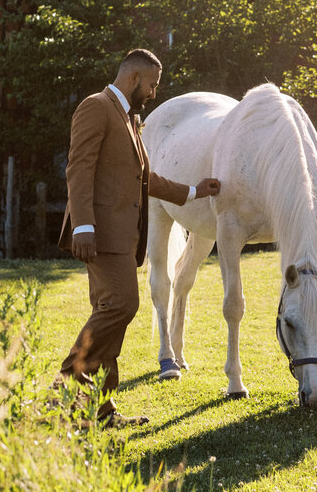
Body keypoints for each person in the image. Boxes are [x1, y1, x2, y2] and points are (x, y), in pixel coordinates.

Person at [57, 49, 220, 425]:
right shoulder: (95, 107)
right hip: (99, 234)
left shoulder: (129, 119)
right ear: (134, 79)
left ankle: (101, 410)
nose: (154, 93)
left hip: (123, 236)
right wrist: (83, 225)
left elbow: (146, 178)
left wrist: (194, 191)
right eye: (152, 85)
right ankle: (64, 391)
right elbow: (78, 169)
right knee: (121, 306)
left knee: (112, 316)